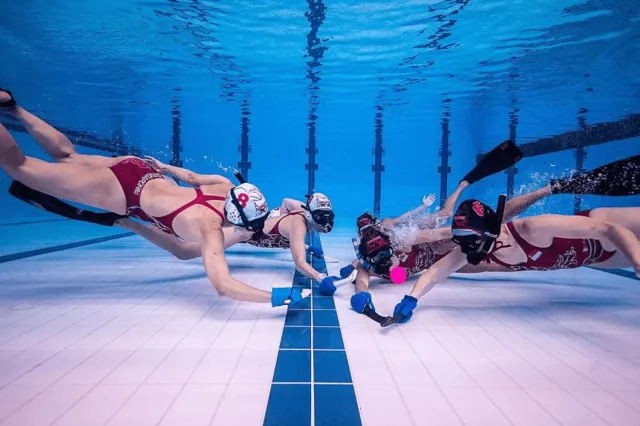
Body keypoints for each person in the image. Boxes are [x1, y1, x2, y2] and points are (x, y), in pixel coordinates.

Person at [0, 88, 305, 307]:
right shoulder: (208, 229)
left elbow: (188, 178)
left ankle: (14, 107)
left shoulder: (224, 186)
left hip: (141, 170)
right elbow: (224, 287)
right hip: (120, 190)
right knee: (20, 166)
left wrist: (163, 167)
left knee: (66, 155)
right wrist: (276, 297)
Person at [349, 153, 640, 318]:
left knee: (482, 225)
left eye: (389, 253)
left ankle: (543, 189)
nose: (389, 260)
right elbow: (431, 273)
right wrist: (371, 295)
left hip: (443, 237)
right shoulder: (374, 264)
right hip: (588, 254)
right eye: (381, 260)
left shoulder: (409, 238)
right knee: (489, 251)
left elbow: (444, 227)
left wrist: (436, 205)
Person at [388, 195, 640, 323]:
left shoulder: (532, 227)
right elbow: (435, 273)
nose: (464, 247)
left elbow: (610, 230)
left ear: (489, 230)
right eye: (461, 239)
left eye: (469, 239)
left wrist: (637, 261)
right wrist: (412, 298)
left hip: (610, 224)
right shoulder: (473, 248)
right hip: (598, 258)